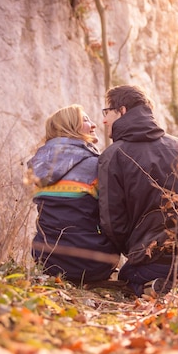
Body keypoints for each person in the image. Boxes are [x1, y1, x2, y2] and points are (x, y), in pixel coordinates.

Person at [98, 85, 178, 297]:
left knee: (128, 278)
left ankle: (158, 285)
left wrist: (135, 251)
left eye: (107, 112)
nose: (104, 120)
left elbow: (112, 222)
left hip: (151, 259)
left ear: (122, 111)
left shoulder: (113, 156)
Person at [27, 104, 120, 287]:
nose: (93, 124)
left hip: (46, 260)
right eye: (85, 120)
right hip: (91, 264)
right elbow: (112, 216)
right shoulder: (95, 165)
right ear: (70, 127)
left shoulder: (37, 165)